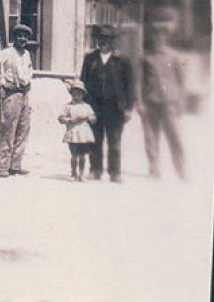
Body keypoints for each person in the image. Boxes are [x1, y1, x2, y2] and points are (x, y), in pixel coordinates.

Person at [80, 25, 134, 183]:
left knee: (115, 141)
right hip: (95, 107)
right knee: (95, 139)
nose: (102, 42)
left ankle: (115, 173)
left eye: (106, 39)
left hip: (115, 107)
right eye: (100, 38)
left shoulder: (122, 60)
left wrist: (129, 108)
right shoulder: (90, 58)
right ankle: (95, 170)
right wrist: (84, 105)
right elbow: (83, 81)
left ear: (112, 41)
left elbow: (129, 85)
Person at [138, 20, 187, 180]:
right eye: (155, 36)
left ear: (166, 37)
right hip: (151, 101)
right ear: (152, 38)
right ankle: (154, 169)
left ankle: (181, 170)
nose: (158, 39)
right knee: (151, 137)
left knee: (175, 137)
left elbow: (181, 81)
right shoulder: (146, 57)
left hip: (169, 103)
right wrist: (139, 102)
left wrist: (181, 102)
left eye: (161, 36)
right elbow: (138, 81)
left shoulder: (174, 57)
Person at [0, 23, 34, 177]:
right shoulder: (5, 53)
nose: (22, 39)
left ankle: (15, 166)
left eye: (25, 36)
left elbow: (29, 72)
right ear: (14, 37)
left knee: (23, 130)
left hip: (24, 93)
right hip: (11, 94)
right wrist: (2, 87)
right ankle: (2, 167)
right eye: (19, 35)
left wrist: (29, 84)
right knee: (7, 130)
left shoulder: (27, 54)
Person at [58, 79, 97, 181]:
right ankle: (73, 173)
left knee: (83, 155)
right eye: (74, 94)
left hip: (84, 133)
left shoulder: (86, 106)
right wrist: (69, 119)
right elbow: (61, 118)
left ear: (83, 95)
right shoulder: (68, 106)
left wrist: (90, 118)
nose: (77, 96)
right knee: (74, 154)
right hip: (73, 132)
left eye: (79, 94)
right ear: (71, 94)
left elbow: (93, 118)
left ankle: (81, 174)